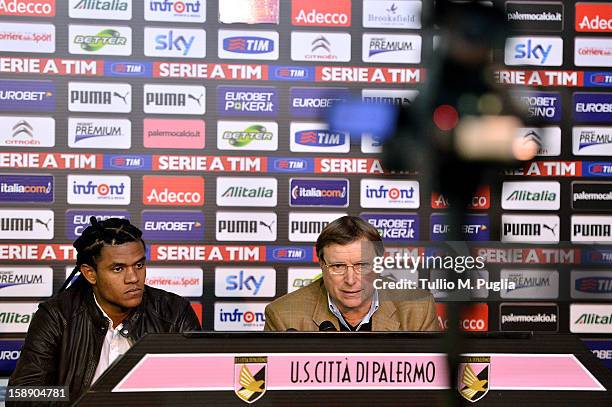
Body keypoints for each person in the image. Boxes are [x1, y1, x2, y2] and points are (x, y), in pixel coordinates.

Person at [8, 217, 201, 404]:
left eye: (139, 265)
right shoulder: (57, 315)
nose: (133, 278)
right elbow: (23, 394)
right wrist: (88, 398)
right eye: (118, 269)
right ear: (90, 274)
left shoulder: (174, 313)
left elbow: (200, 388)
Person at [264, 216, 439, 331]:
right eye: (338, 266)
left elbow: (432, 384)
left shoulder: (418, 308)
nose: (350, 280)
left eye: (361, 265)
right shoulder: (283, 316)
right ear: (322, 265)